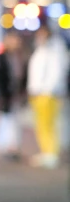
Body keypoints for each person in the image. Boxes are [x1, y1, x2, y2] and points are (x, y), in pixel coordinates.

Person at [27, 22, 69, 169]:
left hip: (47, 94)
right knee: (41, 124)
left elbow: (56, 72)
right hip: (39, 93)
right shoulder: (42, 49)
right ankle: (47, 152)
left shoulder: (54, 50)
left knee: (48, 124)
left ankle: (51, 153)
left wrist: (48, 89)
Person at [0, 30, 27, 159]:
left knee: (15, 121)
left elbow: (23, 76)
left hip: (16, 94)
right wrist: (2, 94)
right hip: (6, 95)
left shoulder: (21, 57)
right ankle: (2, 146)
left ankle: (13, 146)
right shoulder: (2, 58)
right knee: (3, 120)